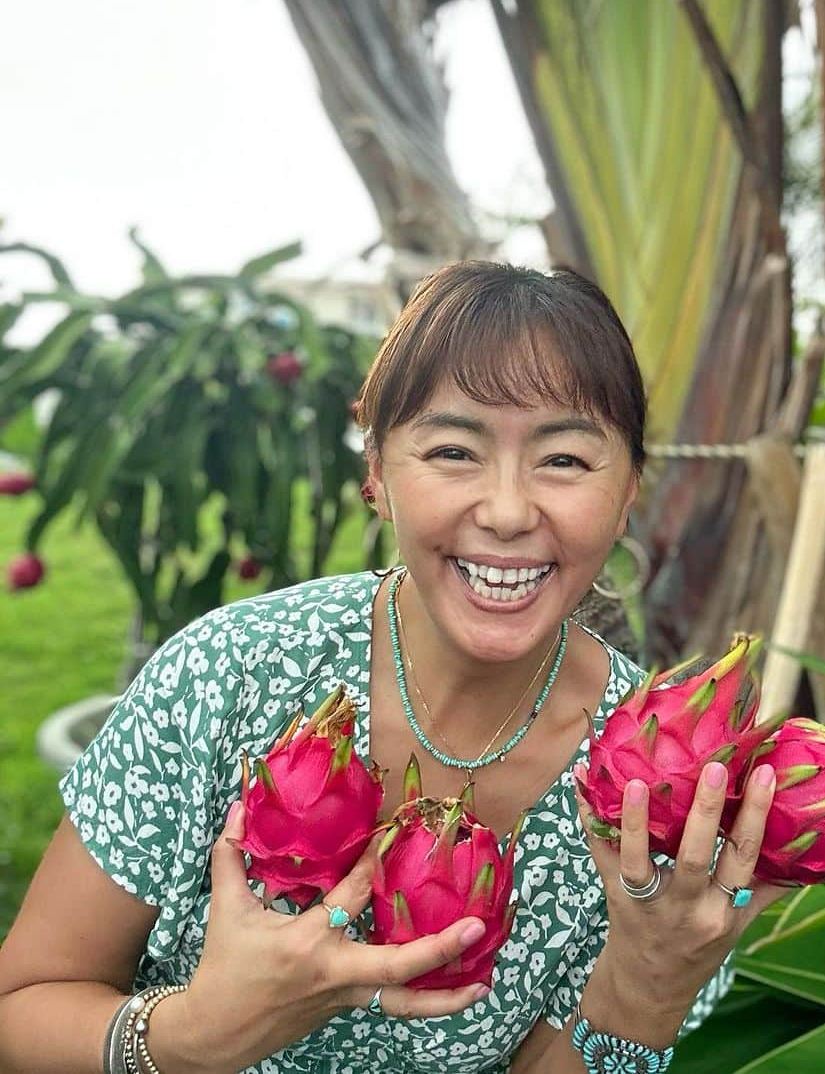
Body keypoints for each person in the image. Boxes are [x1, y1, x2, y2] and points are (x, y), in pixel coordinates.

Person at [0, 261, 784, 1073]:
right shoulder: (228, 674)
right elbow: (21, 1010)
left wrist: (647, 989)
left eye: (564, 460)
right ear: (377, 475)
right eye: (453, 450)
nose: (509, 511)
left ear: (627, 495)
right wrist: (192, 1036)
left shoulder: (659, 793)